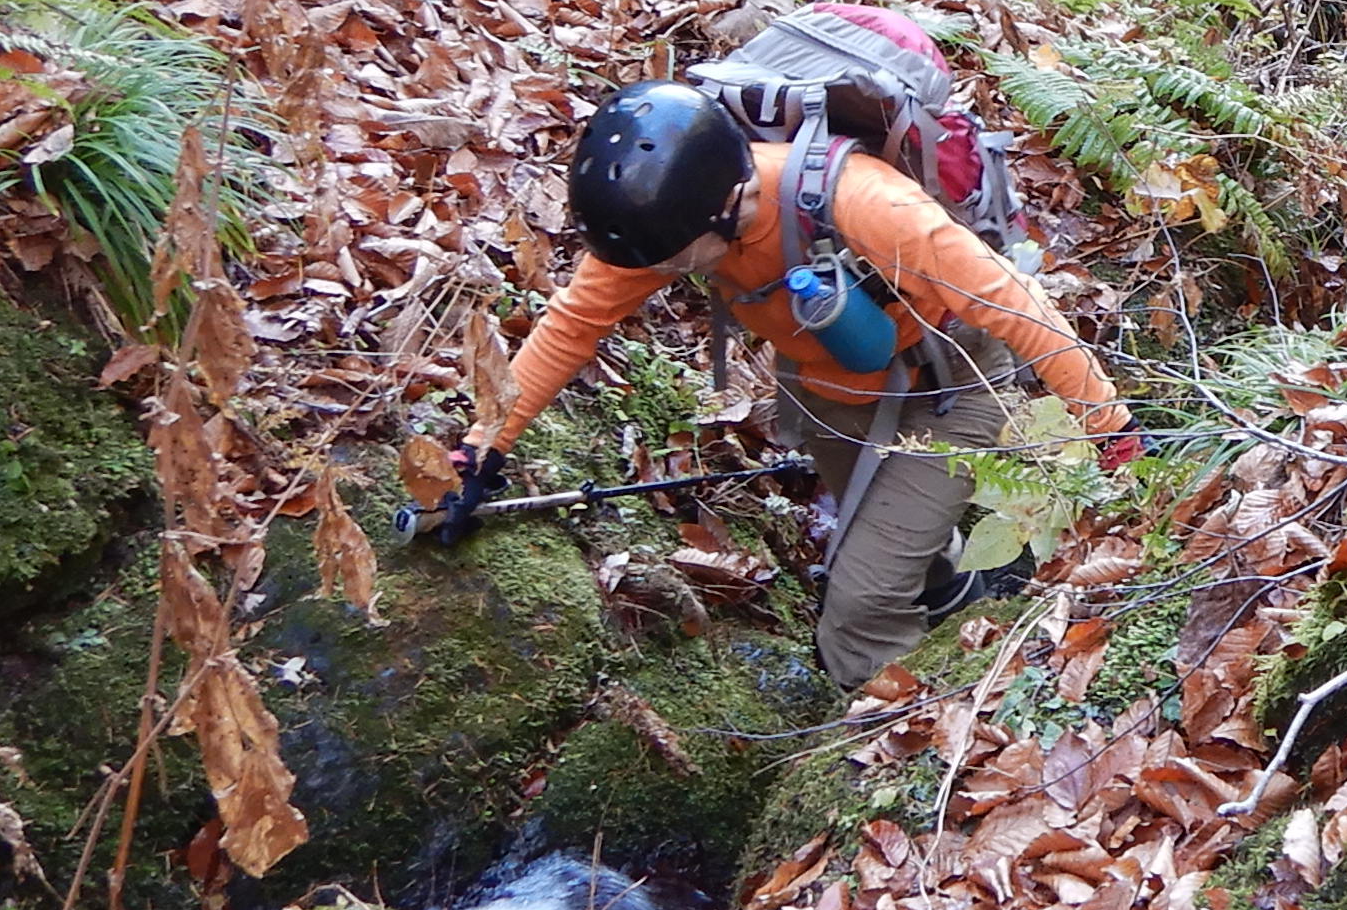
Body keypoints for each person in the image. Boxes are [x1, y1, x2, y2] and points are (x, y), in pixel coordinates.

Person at [440, 81, 1140, 689]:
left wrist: (1111, 430)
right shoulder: (664, 225)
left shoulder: (868, 205)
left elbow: (1016, 303)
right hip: (828, 387)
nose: (662, 275)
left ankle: (907, 742)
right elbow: (572, 326)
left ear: (727, 204)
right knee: (901, 553)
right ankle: (957, 599)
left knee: (859, 610)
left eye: (676, 263)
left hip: (953, 386)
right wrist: (482, 448)